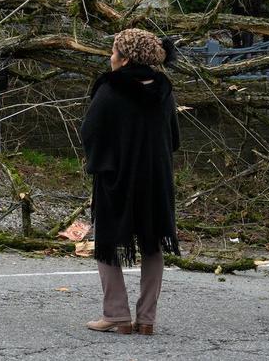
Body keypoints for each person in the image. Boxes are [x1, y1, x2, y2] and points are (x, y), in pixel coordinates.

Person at [80, 28, 180, 336]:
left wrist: (101, 163)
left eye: (113, 52)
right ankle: (146, 319)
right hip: (156, 179)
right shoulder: (164, 89)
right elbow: (173, 138)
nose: (110, 58)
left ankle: (117, 315)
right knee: (152, 243)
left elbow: (90, 132)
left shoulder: (110, 88)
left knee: (107, 243)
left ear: (124, 60)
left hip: (117, 178)